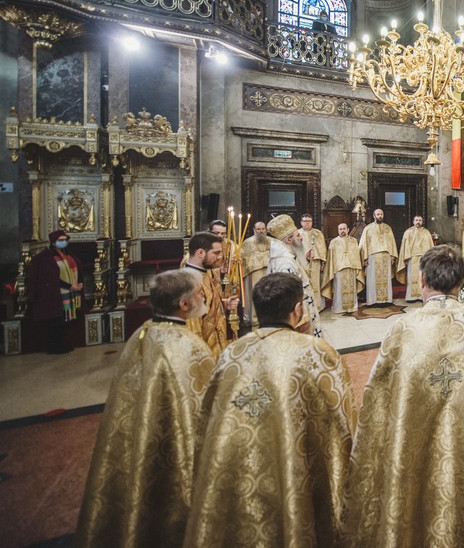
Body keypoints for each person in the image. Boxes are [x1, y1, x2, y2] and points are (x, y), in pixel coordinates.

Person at [342, 245, 464, 545]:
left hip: (414, 461)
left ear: (421, 280)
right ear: (461, 282)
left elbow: (376, 406)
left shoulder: (402, 330)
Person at [184, 273, 356, 546]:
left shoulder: (231, 354)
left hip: (237, 474)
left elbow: (206, 419)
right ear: (298, 310)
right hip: (297, 474)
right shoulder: (317, 353)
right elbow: (340, 422)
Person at [77, 270, 215, 547]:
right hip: (174, 440)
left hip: (138, 433)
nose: (203, 298)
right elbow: (207, 404)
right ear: (184, 304)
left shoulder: (141, 334)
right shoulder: (189, 347)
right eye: (199, 294)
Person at [26, 230, 83, 354]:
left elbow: (76, 266)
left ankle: (62, 344)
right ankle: (54, 347)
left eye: (65, 240)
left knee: (62, 320)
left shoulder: (67, 254)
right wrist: (69, 286)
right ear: (53, 242)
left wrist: (79, 282)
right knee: (53, 322)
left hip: (66, 292)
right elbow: (50, 278)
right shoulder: (44, 257)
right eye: (61, 240)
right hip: (52, 294)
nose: (64, 242)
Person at [184, 232, 238, 355]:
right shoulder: (190, 284)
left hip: (216, 348)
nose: (220, 257)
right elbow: (193, 330)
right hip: (205, 354)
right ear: (200, 253)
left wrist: (223, 305)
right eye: (216, 253)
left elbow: (206, 310)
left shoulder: (205, 274)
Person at [265, 214, 320, 328]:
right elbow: (290, 297)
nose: (301, 238)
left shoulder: (284, 257)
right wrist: (300, 321)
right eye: (298, 235)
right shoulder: (285, 263)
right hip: (297, 319)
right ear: (289, 240)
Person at [322, 222, 365, 314]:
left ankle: (352, 307)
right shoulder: (333, 242)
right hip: (339, 269)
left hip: (351, 268)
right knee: (339, 289)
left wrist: (357, 268)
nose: (342, 231)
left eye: (344, 229)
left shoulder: (353, 241)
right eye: (340, 229)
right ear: (338, 230)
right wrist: (332, 270)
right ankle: (339, 308)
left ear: (348, 229)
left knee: (351, 289)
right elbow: (331, 258)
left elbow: (356, 255)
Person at [359, 207, 398, 306]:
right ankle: (373, 301)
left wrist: (392, 257)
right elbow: (364, 244)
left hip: (386, 256)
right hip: (373, 257)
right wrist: (365, 258)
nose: (380, 216)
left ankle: (386, 300)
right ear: (374, 216)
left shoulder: (388, 228)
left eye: (381, 214)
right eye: (378, 214)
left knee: (386, 278)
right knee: (372, 279)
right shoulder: (368, 228)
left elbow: (392, 243)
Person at [396, 215, 435, 302]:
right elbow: (405, 246)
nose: (418, 222)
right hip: (412, 258)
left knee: (423, 277)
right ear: (413, 221)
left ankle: (422, 296)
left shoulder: (426, 232)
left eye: (420, 220)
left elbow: (430, 246)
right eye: (416, 220)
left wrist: (430, 258)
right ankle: (411, 297)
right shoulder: (408, 232)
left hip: (424, 258)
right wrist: (406, 258)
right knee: (412, 277)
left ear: (422, 221)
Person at [240, 221, 270, 326]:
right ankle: (253, 318)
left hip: (268, 274)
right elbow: (244, 260)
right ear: (254, 230)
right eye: (258, 229)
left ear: (266, 229)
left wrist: (260, 256)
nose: (261, 231)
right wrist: (265, 256)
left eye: (263, 229)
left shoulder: (271, 241)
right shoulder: (247, 243)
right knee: (254, 295)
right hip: (253, 274)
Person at [298, 214, 327, 310]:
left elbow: (322, 249)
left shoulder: (318, 233)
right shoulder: (297, 234)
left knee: (315, 284)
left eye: (309, 221)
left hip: (315, 263)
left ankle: (317, 307)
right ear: (301, 222)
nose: (307, 223)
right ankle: (305, 308)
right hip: (301, 264)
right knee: (304, 285)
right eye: (305, 221)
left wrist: (323, 263)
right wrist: (305, 255)